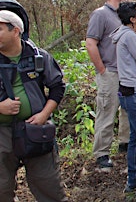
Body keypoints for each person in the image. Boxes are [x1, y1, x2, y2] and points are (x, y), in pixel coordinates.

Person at [0, 10, 68, 201]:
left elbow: (57, 87)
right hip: (2, 133)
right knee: (2, 187)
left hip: (35, 130)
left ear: (15, 31)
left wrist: (44, 115)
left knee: (48, 184)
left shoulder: (38, 57)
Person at [85, 0, 130, 171]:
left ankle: (125, 143)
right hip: (109, 72)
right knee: (106, 111)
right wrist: (102, 70)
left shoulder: (123, 14)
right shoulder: (100, 14)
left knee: (128, 110)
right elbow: (91, 43)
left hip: (126, 72)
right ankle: (102, 154)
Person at [110, 0, 136, 199]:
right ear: (132, 19)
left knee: (135, 138)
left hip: (126, 92)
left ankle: (132, 182)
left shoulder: (124, 34)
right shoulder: (129, 37)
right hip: (134, 92)